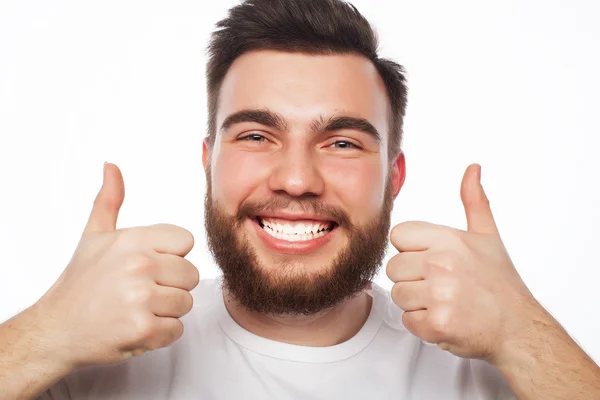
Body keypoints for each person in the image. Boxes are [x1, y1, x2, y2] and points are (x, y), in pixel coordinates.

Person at [1, 0, 599, 398]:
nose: (295, 179)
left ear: (394, 176)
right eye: (258, 135)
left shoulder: (493, 371)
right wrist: (43, 335)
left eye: (341, 141)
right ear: (208, 162)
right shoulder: (82, 359)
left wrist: (522, 336)